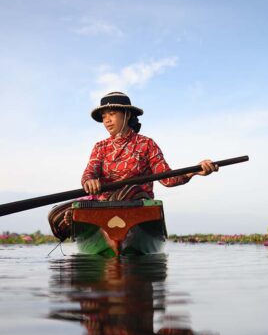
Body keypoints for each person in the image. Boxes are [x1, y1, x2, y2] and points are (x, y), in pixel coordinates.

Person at [48, 91, 218, 240]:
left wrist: (195, 171)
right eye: (104, 117)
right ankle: (87, 225)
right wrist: (89, 181)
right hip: (103, 203)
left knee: (125, 193)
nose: (107, 120)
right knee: (55, 215)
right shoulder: (100, 147)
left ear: (127, 114)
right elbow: (89, 173)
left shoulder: (146, 143)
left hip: (137, 203)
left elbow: (167, 179)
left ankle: (89, 217)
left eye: (112, 114)